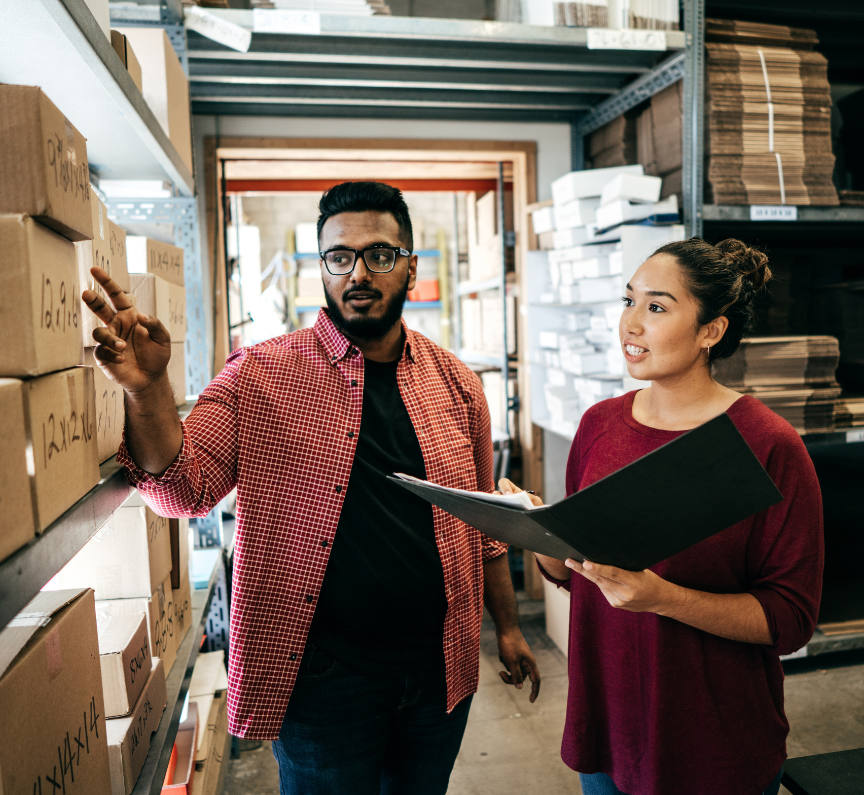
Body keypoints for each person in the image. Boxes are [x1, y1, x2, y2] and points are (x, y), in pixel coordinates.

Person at [82, 181, 540, 795]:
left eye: (379, 256)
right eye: (339, 257)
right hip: (323, 681)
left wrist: (508, 628)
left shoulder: (456, 383)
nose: (359, 273)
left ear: (408, 266)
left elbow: (486, 524)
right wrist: (146, 390)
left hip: (440, 669)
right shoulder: (260, 374)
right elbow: (181, 492)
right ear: (321, 268)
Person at [502, 237, 823, 795]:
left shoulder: (768, 444)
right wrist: (535, 533)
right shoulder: (599, 425)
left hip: (715, 748)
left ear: (710, 332)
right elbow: (580, 581)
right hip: (609, 734)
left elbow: (790, 620)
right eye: (628, 301)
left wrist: (663, 598)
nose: (630, 324)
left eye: (656, 307)